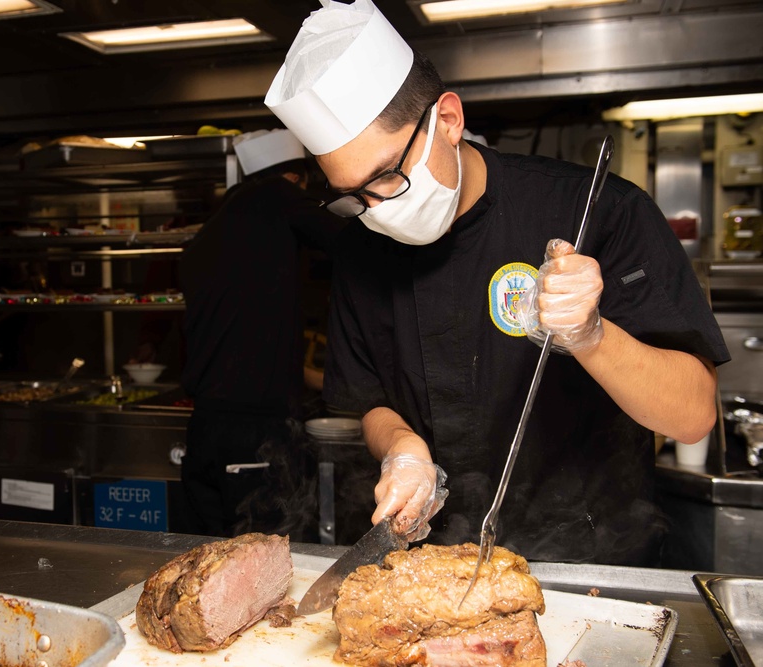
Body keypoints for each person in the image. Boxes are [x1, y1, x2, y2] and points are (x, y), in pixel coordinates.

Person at [264, 0, 730, 565]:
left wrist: (592, 337)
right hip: (438, 566)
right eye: (354, 195)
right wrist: (402, 449)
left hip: (594, 562)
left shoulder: (602, 209)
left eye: (388, 175)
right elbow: (369, 401)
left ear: (450, 120)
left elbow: (693, 415)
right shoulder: (362, 250)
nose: (378, 208)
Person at [179, 129, 346, 538]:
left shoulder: (216, 225)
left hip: (204, 427)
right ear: (295, 179)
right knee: (263, 557)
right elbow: (349, 240)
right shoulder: (278, 195)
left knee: (207, 558)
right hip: (253, 432)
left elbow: (246, 327)